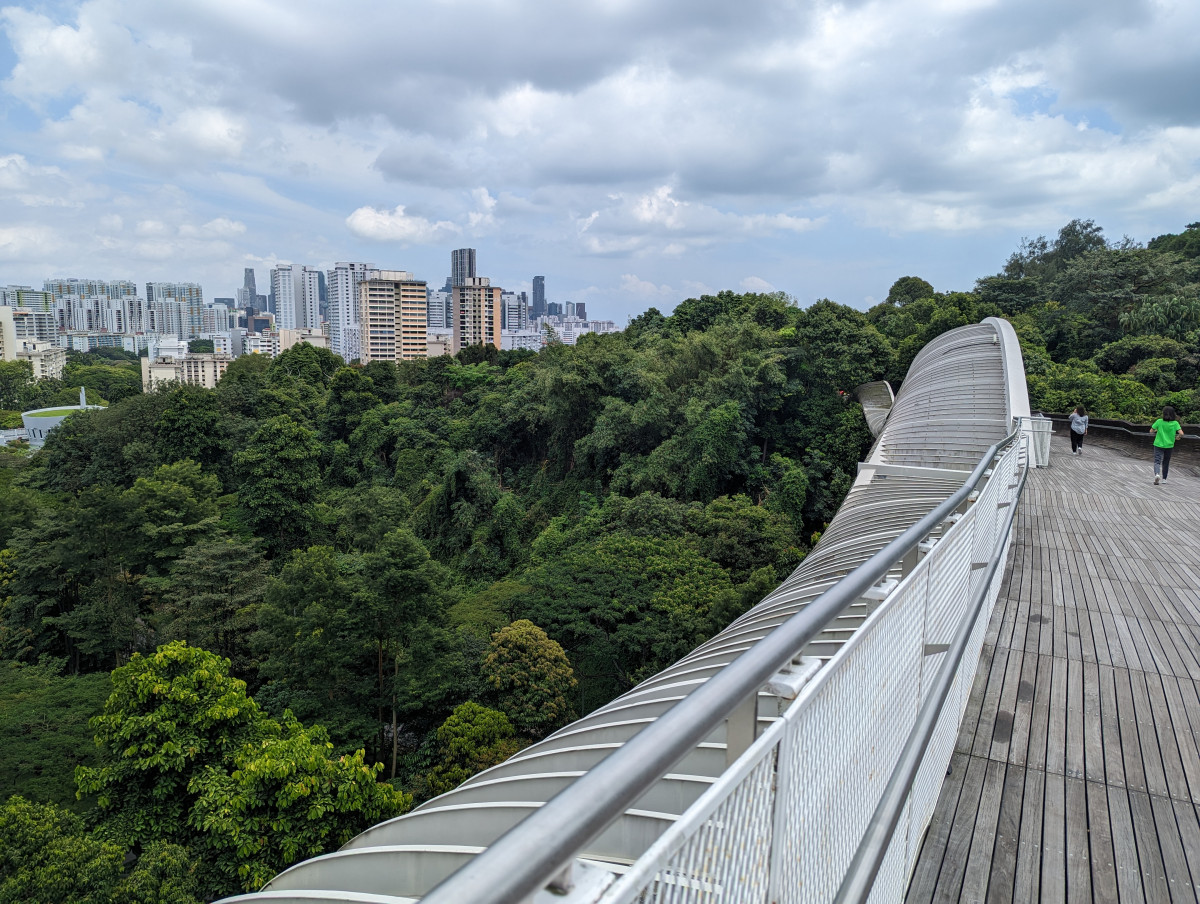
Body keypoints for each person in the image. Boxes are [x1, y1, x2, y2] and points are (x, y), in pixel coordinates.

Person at [1149, 405, 1183, 485]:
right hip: (1169, 445)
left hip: (1158, 444)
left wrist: (1157, 430)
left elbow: (1151, 431)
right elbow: (1181, 433)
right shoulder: (1175, 423)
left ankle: (1157, 474)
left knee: (1157, 461)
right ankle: (1164, 479)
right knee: (1166, 462)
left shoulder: (1159, 421)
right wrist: (1178, 437)